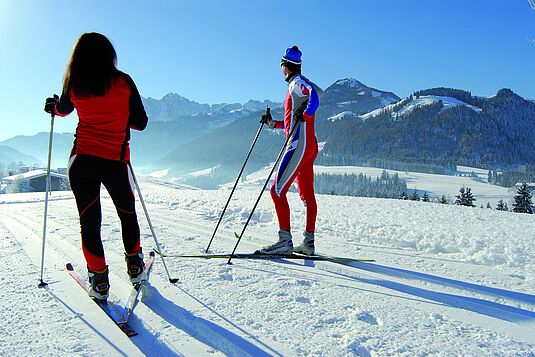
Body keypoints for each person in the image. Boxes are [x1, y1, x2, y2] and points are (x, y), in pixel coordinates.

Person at [44, 32, 148, 300]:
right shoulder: (124, 82)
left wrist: (52, 106)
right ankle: (135, 267)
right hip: (115, 161)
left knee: (90, 223)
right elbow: (141, 122)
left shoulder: (75, 83)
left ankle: (99, 281)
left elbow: (63, 110)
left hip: (82, 162)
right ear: (109, 54)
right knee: (127, 213)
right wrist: (120, 116)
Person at [257, 45, 320, 256]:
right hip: (309, 145)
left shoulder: (296, 84)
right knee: (307, 196)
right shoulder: (295, 86)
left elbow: (315, 96)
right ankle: (308, 243)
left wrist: (308, 114)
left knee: (276, 190)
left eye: (281, 65)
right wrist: (273, 123)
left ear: (285, 66)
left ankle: (285, 241)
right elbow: (292, 121)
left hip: (299, 144)